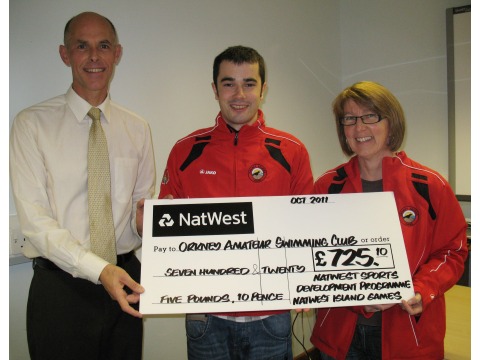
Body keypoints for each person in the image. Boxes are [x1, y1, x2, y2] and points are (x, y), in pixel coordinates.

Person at [9, 12, 155, 360]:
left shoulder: (137, 128)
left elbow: (140, 207)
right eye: (81, 46)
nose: (94, 56)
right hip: (61, 288)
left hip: (125, 280)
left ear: (116, 54)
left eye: (103, 46)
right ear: (65, 54)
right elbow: (36, 223)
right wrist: (98, 269)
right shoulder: (31, 125)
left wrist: (152, 223)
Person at [159, 45, 314, 359]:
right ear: (215, 89)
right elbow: (166, 229)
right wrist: (146, 222)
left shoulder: (291, 150)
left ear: (263, 89)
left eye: (249, 83)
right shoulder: (185, 150)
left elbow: (307, 227)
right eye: (229, 83)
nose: (239, 93)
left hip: (271, 314)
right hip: (206, 315)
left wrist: (306, 283)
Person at [310, 81, 468, 359]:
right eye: (350, 119)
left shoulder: (430, 186)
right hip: (339, 334)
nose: (359, 128)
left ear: (391, 122)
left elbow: (452, 252)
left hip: (408, 332)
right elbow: (309, 251)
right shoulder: (327, 186)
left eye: (370, 116)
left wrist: (420, 290)